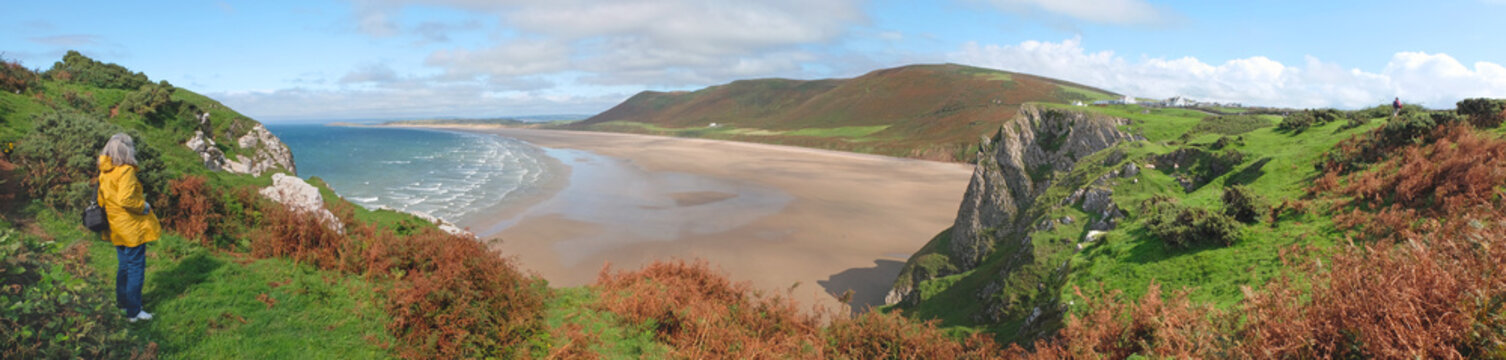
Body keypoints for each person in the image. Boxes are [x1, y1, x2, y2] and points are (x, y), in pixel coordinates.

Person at [98, 133, 161, 323]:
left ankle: (123, 304)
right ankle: (134, 312)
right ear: (127, 149)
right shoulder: (126, 170)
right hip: (131, 227)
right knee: (135, 267)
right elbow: (125, 199)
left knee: (124, 266)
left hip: (115, 225)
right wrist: (144, 206)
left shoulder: (105, 170)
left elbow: (103, 199)